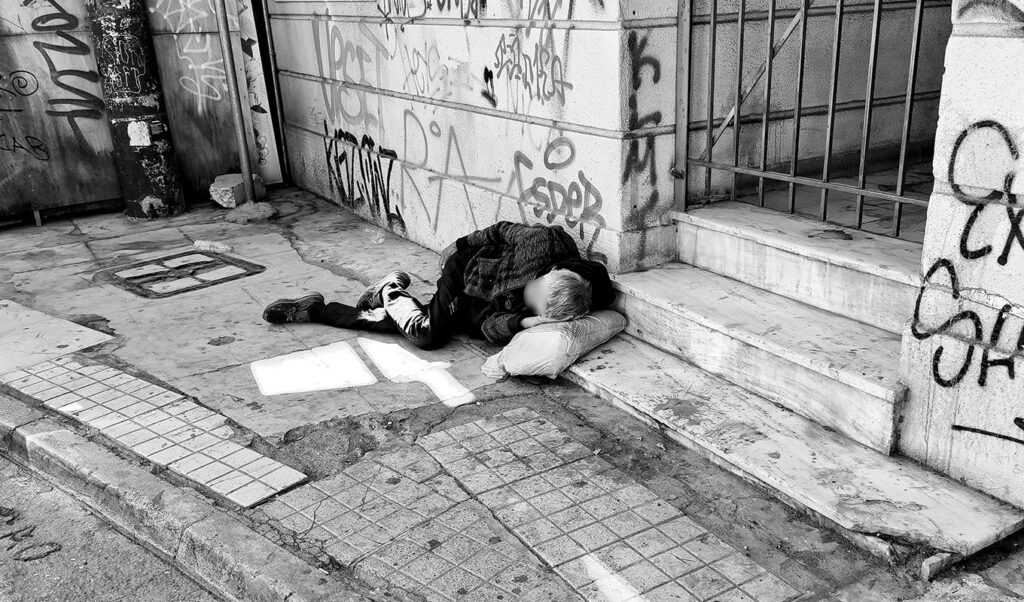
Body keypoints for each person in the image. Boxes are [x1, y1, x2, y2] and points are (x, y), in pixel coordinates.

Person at [262, 221, 615, 350]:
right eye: (535, 288)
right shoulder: (544, 243)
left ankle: (316, 310)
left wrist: (525, 321)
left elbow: (490, 328)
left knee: (404, 323)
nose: (527, 297)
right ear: (552, 271)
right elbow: (499, 231)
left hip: (477, 309)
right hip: (466, 274)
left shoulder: (562, 302)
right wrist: (459, 245)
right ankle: (389, 290)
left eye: (534, 305)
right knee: (427, 334)